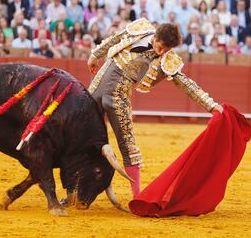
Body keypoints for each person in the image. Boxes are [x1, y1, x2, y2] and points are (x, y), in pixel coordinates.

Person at [87, 18, 223, 198]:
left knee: (128, 146)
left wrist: (211, 106)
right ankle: (77, 188)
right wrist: (95, 55)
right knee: (82, 133)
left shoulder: (167, 59)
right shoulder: (140, 30)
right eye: (161, 46)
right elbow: (115, 37)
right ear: (155, 36)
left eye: (167, 49)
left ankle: (137, 196)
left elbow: (187, 84)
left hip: (119, 97)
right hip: (99, 85)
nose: (162, 51)